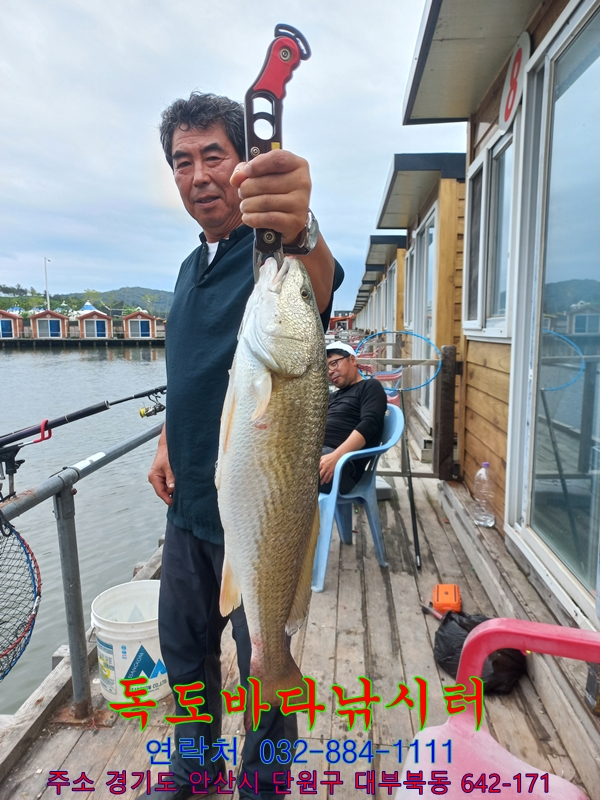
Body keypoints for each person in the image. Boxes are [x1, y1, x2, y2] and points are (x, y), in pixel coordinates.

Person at [147, 92, 343, 799]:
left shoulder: (270, 258)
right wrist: (166, 441)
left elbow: (318, 281)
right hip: (190, 507)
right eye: (183, 161)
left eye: (214, 157)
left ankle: (265, 785)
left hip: (255, 511)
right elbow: (192, 372)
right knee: (184, 653)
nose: (199, 175)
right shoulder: (186, 268)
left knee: (264, 652)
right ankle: (196, 769)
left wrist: (300, 225)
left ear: (242, 165)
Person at [319, 342, 388, 495]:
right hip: (319, 454)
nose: (330, 371)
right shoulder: (333, 397)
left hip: (342, 465)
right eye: (325, 368)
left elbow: (369, 424)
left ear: (352, 360)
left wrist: (336, 456)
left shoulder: (370, 387)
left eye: (334, 363)